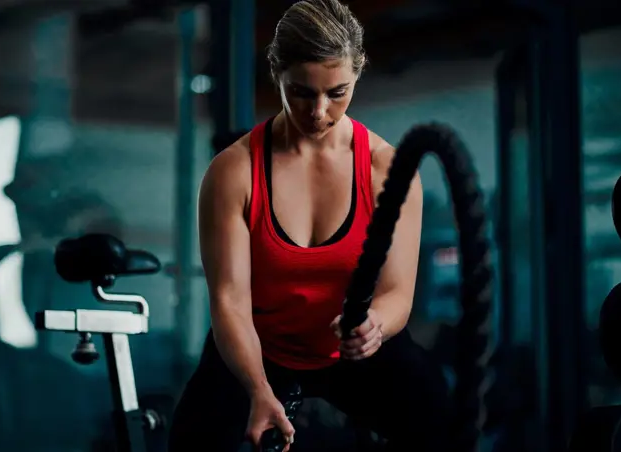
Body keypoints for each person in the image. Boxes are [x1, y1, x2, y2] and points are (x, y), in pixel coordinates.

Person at [167, 0, 454, 450]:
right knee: (191, 441)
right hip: (259, 348)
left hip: (356, 352)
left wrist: (377, 323)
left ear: (357, 74)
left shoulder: (387, 170)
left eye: (337, 92)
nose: (319, 111)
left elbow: (397, 292)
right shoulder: (234, 172)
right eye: (301, 92)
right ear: (277, 74)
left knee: (437, 419)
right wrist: (258, 389)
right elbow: (229, 302)